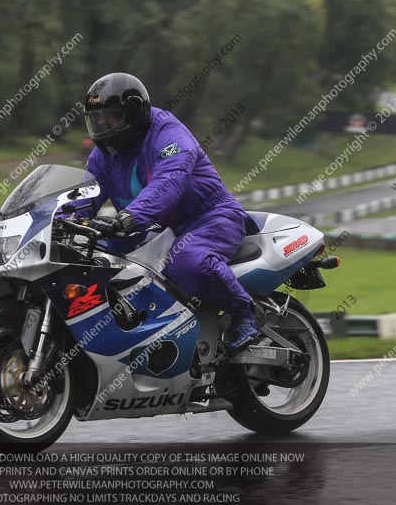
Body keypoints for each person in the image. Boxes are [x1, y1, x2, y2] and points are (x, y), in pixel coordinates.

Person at [73, 72, 261, 351]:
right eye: (97, 120)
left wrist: (128, 218)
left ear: (133, 114)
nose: (103, 127)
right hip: (151, 228)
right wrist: (60, 220)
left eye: (110, 118)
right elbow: (83, 193)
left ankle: (246, 312)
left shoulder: (168, 133)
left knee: (189, 262)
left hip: (208, 217)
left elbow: (168, 182)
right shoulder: (105, 154)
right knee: (93, 262)